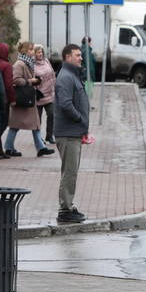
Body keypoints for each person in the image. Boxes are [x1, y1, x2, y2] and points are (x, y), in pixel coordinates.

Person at [53, 43, 90, 223]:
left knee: (71, 171)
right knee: (70, 172)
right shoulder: (66, 77)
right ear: (68, 57)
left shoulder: (71, 75)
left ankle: (68, 206)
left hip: (73, 132)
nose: (80, 58)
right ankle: (65, 210)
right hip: (68, 133)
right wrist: (80, 119)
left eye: (80, 55)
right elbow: (65, 104)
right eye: (77, 55)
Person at [6, 41, 55, 158]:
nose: (33, 51)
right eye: (31, 49)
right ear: (25, 51)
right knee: (15, 125)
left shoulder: (28, 62)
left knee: (34, 124)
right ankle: (9, 147)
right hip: (23, 99)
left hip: (28, 98)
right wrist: (30, 81)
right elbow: (16, 79)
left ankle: (40, 148)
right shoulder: (20, 64)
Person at [34, 44, 56, 144]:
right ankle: (38, 138)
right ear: (34, 54)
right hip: (39, 95)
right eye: (38, 52)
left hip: (49, 94)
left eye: (41, 52)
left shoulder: (46, 61)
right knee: (38, 119)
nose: (40, 54)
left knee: (51, 114)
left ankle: (49, 136)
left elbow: (52, 74)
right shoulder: (32, 64)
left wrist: (55, 86)